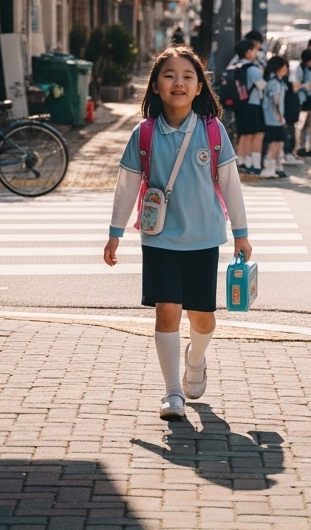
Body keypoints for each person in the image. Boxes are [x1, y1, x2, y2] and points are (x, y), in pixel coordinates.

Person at [104, 46, 251, 421]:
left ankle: (195, 359)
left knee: (202, 317)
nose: (179, 83)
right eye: (169, 75)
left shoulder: (213, 131)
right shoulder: (144, 134)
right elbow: (126, 186)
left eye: (188, 76)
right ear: (155, 85)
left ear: (200, 87)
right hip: (160, 239)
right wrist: (115, 233)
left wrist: (241, 233)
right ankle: (172, 393)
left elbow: (231, 184)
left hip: (204, 238)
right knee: (166, 312)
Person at [232, 39, 265, 174]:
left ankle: (241, 162)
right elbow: (262, 85)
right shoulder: (252, 68)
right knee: (256, 134)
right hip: (253, 104)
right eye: (253, 50)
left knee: (243, 134)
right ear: (248, 52)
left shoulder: (235, 65)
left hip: (240, 105)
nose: (255, 52)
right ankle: (254, 164)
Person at [260, 55, 289, 178]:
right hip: (273, 117)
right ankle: (269, 167)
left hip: (271, 117)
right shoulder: (275, 82)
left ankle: (274, 166)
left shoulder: (274, 81)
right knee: (275, 142)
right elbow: (276, 100)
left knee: (277, 141)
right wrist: (280, 115)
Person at [296, 49, 311, 156]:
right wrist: (305, 86)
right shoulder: (300, 69)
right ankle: (299, 146)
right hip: (302, 99)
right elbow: (296, 84)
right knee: (301, 124)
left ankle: (308, 146)